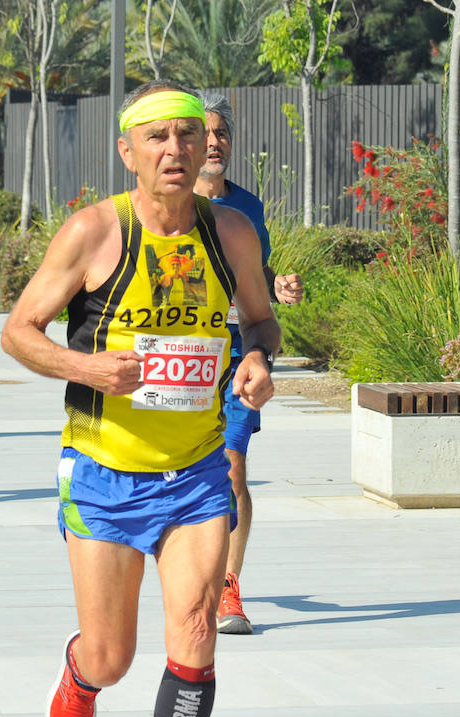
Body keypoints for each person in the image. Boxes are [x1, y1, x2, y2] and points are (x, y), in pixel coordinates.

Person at [0, 78, 280, 717]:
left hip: (194, 473)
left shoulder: (230, 233)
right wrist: (85, 363)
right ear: (127, 152)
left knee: (195, 635)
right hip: (103, 473)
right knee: (115, 654)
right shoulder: (94, 232)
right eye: (156, 137)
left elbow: (259, 319)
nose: (175, 150)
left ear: (206, 147)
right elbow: (18, 332)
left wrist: (259, 358)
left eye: (188, 136)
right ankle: (81, 674)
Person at [192, 91, 304, 636]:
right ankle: (184, 570)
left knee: (232, 465)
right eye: (205, 132)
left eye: (223, 134)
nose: (214, 143)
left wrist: (276, 286)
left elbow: (253, 276)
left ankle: (228, 588)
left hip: (238, 353)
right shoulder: (157, 204)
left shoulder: (248, 207)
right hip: (179, 356)